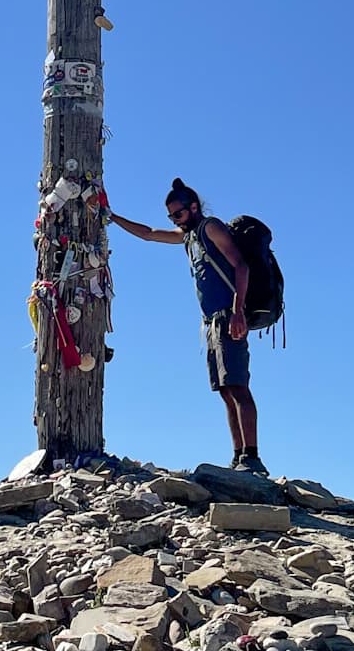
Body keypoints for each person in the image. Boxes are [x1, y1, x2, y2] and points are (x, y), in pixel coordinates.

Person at [109, 177, 267, 476]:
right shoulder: (190, 237)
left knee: (238, 386)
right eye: (171, 217)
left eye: (178, 215)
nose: (175, 221)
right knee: (225, 390)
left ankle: (253, 457)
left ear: (193, 207)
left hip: (226, 316)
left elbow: (241, 266)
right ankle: (238, 456)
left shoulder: (210, 228)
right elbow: (149, 234)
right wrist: (112, 217)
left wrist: (237, 312)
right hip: (211, 322)